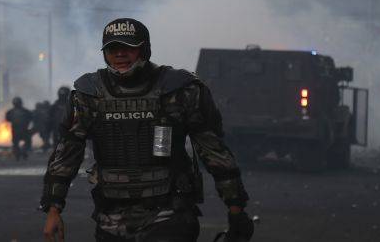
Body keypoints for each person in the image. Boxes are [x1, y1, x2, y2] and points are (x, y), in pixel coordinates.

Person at [41, 18, 254, 242]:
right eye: (113, 48)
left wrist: (235, 207)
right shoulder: (88, 94)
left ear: (144, 49)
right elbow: (67, 154)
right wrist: (53, 209)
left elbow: (214, 151)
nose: (120, 54)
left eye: (128, 47)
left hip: (169, 212)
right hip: (111, 218)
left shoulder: (181, 89)